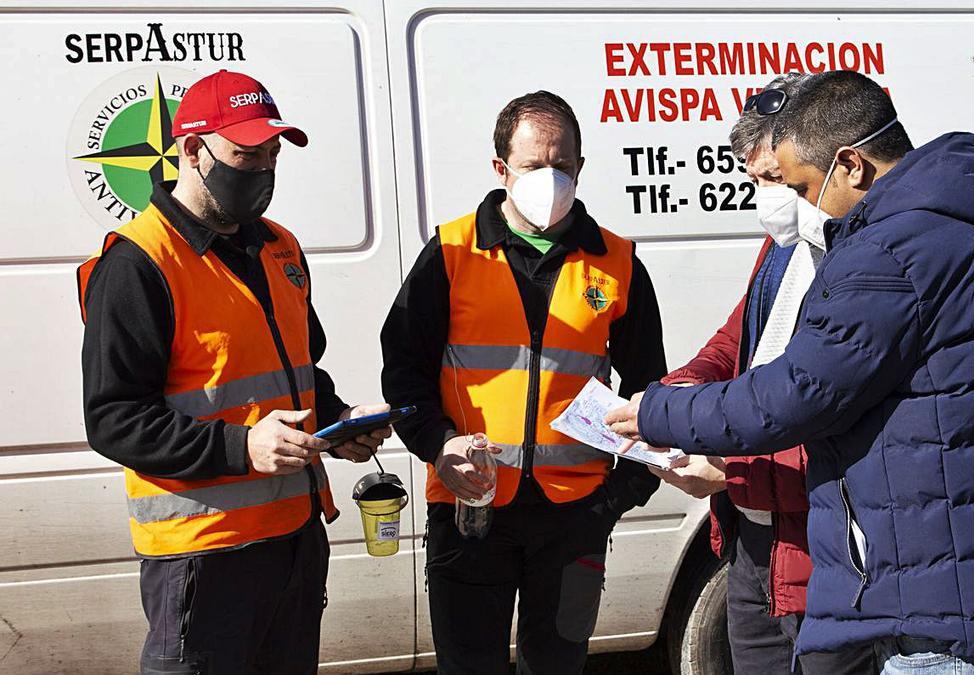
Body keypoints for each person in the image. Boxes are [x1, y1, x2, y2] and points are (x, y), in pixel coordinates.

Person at [607, 70, 974, 674]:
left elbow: (796, 394)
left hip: (944, 601)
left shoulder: (891, 251)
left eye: (796, 183)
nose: (792, 202)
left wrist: (657, 413)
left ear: (850, 164)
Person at [78, 69, 392, 675]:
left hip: (293, 540)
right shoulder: (139, 263)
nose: (263, 172)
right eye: (247, 155)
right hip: (203, 558)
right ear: (192, 151)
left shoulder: (279, 247)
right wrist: (243, 445)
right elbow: (113, 420)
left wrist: (338, 421)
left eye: (273, 155)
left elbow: (299, 370)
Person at [380, 90, 666, 675]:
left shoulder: (617, 261)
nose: (551, 178)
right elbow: (403, 370)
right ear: (501, 169)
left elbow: (651, 394)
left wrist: (618, 498)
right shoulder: (452, 252)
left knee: (558, 665)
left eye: (563, 165)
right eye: (535, 165)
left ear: (581, 167)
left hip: (575, 516)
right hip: (471, 511)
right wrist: (436, 446)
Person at [654, 72, 873, 674]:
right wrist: (684, 388)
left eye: (776, 180)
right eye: (753, 180)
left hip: (821, 541)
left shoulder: (861, 261)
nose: (766, 197)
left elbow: (819, 399)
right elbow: (741, 338)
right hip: (754, 536)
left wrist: (729, 464)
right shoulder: (783, 243)